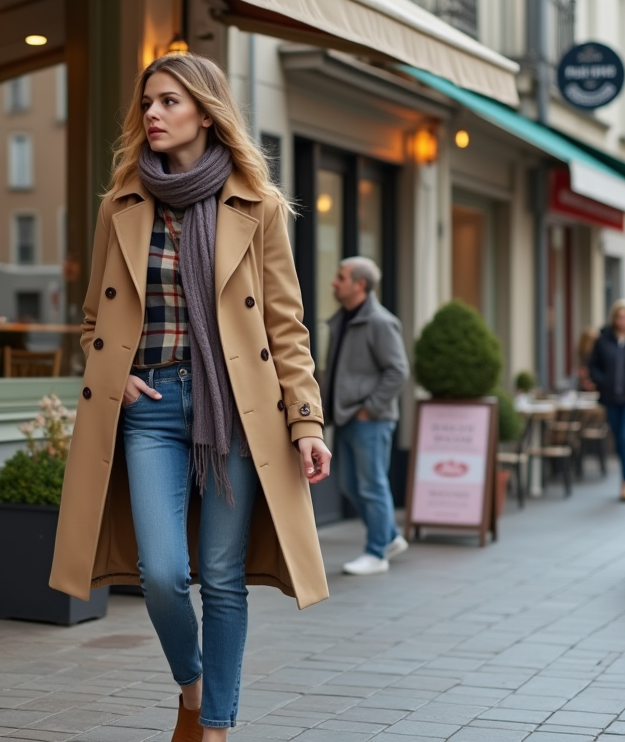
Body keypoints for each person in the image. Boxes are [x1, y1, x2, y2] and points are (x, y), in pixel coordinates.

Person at [49, 53, 331, 742]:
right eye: (148, 102)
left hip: (236, 410)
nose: (152, 113)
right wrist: (115, 375)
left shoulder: (257, 206)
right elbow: (93, 322)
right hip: (149, 406)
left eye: (169, 101)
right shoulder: (121, 206)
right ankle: (194, 687)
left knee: (225, 577)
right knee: (162, 573)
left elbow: (285, 326)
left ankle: (216, 728)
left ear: (206, 112)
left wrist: (307, 421)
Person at [323, 257, 410, 576]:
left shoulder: (380, 322)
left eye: (341, 277)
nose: (334, 282)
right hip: (345, 417)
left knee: (372, 485)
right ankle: (389, 536)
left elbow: (398, 371)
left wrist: (368, 409)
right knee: (350, 485)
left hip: (369, 419)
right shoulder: (344, 318)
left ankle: (376, 553)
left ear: (360, 284)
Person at [587, 300, 625, 502]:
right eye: (619, 316)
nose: (622, 320)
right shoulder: (604, 340)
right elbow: (592, 365)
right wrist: (601, 381)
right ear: (614, 318)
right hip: (611, 397)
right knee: (619, 440)